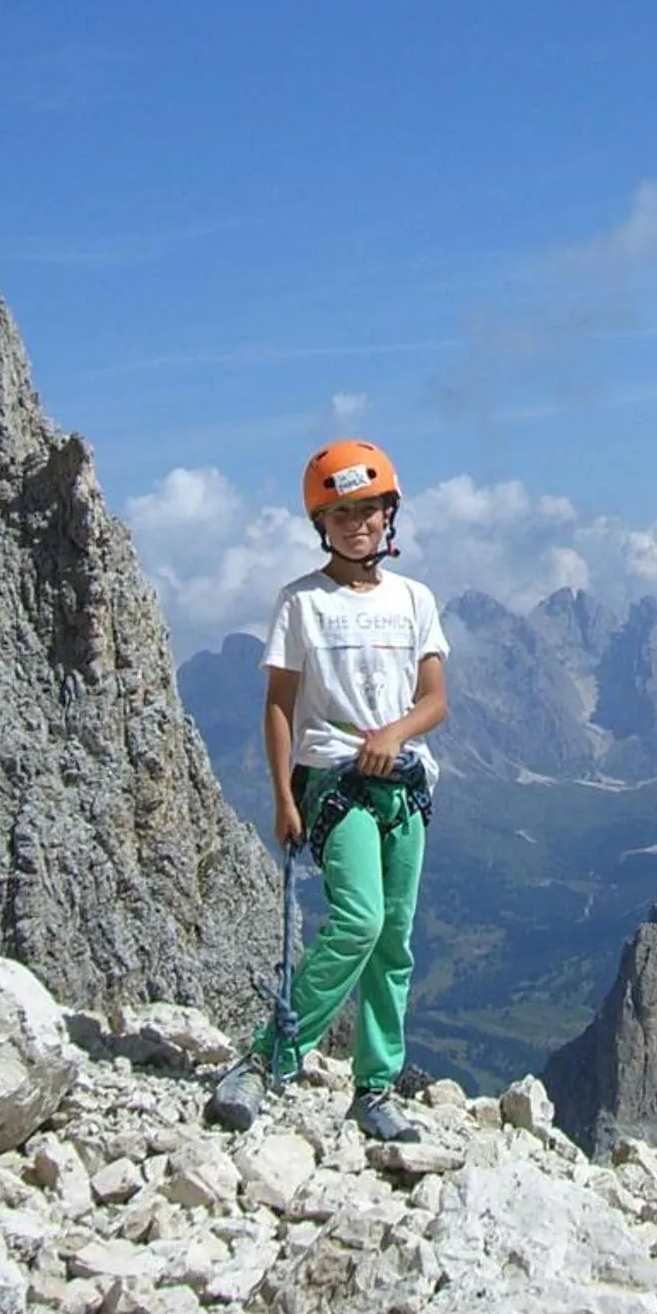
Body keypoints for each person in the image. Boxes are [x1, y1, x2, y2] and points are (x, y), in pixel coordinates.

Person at [209, 438, 449, 1138]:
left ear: (388, 514)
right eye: (341, 512)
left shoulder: (415, 600)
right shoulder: (301, 603)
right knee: (361, 920)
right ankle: (265, 1058)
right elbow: (279, 705)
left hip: (401, 782)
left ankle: (375, 1087)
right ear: (322, 522)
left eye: (369, 509)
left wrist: (394, 735)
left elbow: (435, 699)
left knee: (394, 939)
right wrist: (285, 797)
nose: (357, 523)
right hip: (333, 782)